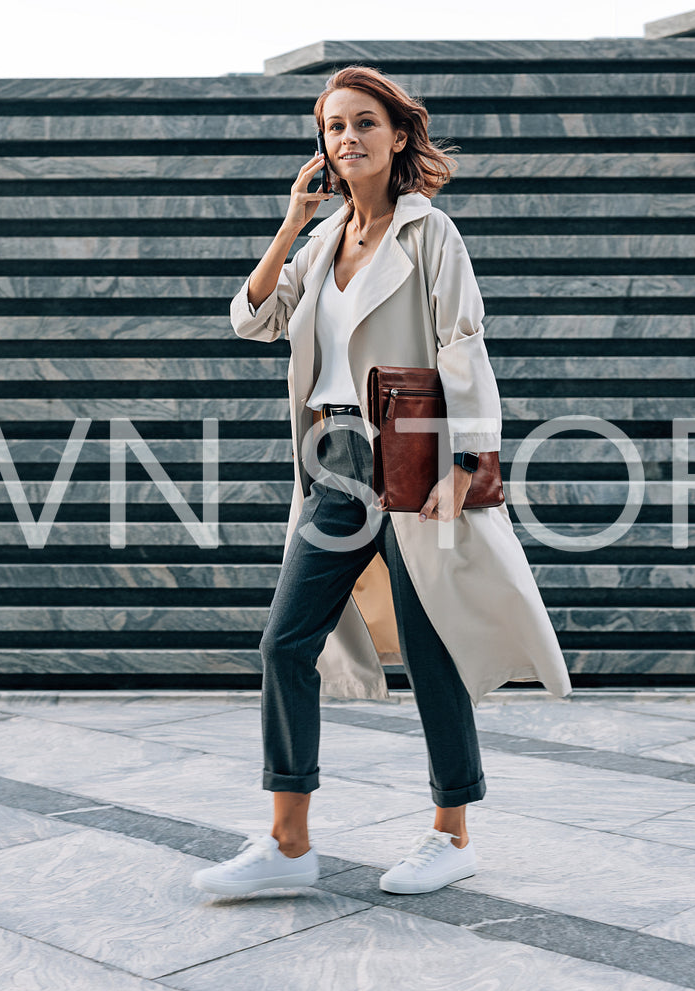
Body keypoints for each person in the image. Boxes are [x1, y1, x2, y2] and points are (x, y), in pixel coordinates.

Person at [193, 66, 542, 899]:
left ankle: (450, 831)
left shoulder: (429, 236)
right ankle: (287, 844)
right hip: (333, 463)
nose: (345, 138)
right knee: (285, 644)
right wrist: (291, 221)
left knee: (431, 653)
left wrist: (465, 465)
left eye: (361, 124)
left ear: (397, 137)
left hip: (413, 460)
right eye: (332, 127)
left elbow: (463, 345)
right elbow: (252, 321)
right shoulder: (318, 244)